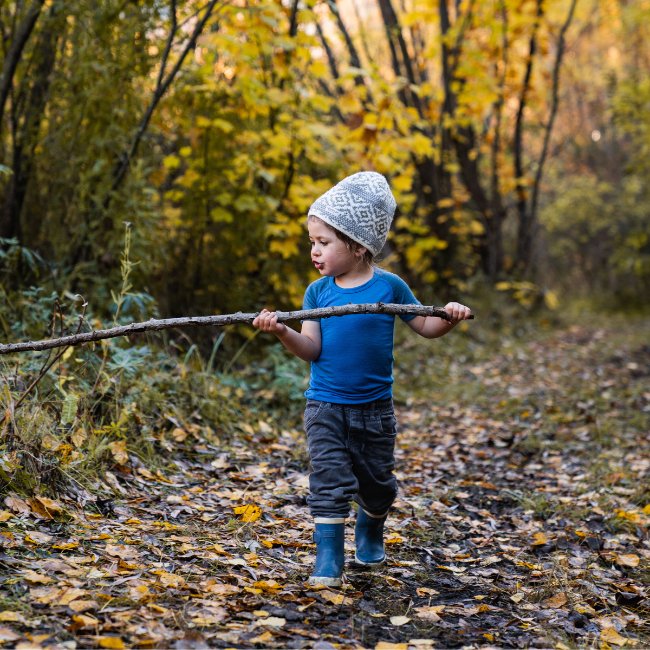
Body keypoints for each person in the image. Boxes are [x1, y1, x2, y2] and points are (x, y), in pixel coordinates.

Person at [253, 171, 472, 587]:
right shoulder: (317, 293)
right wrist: (283, 331)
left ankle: (370, 527)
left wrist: (450, 317)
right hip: (325, 406)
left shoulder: (390, 287)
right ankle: (328, 557)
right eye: (312, 242)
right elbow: (313, 350)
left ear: (357, 245)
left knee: (377, 486)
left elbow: (425, 328)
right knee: (329, 478)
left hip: (374, 409)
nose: (314, 252)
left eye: (323, 242)